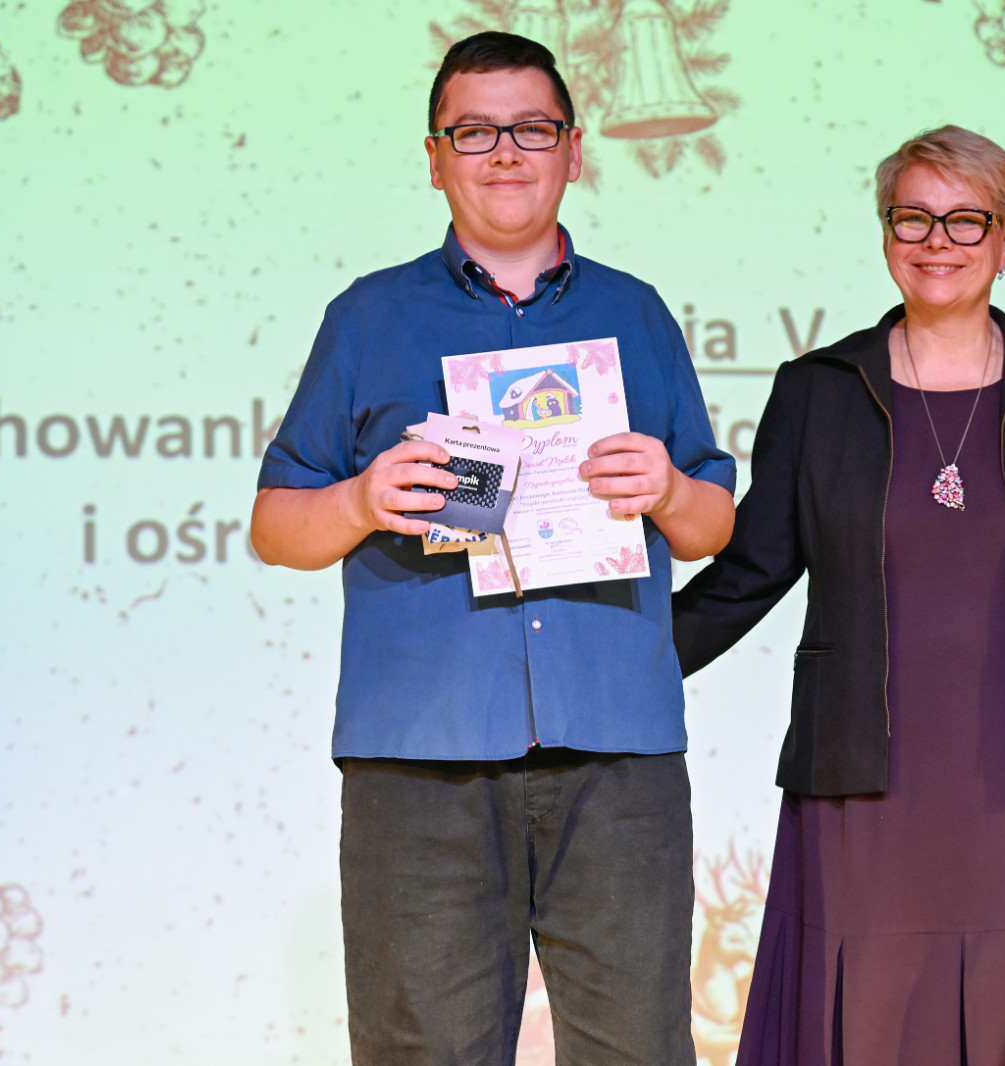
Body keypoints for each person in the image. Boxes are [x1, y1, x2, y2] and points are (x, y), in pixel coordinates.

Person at [250, 32, 735, 1066]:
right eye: (473, 132)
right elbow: (276, 525)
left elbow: (710, 525)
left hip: (616, 755)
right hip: (421, 763)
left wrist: (668, 488)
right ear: (434, 159)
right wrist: (362, 498)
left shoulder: (636, 312)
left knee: (638, 1051)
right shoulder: (368, 316)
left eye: (532, 129)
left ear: (574, 150)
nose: (505, 152)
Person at [672, 125, 1005, 1065]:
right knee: (864, 1016)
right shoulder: (818, 389)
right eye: (912, 218)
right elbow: (750, 573)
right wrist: (613, 660)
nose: (936, 241)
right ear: (886, 233)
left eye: (965, 220)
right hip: (862, 778)